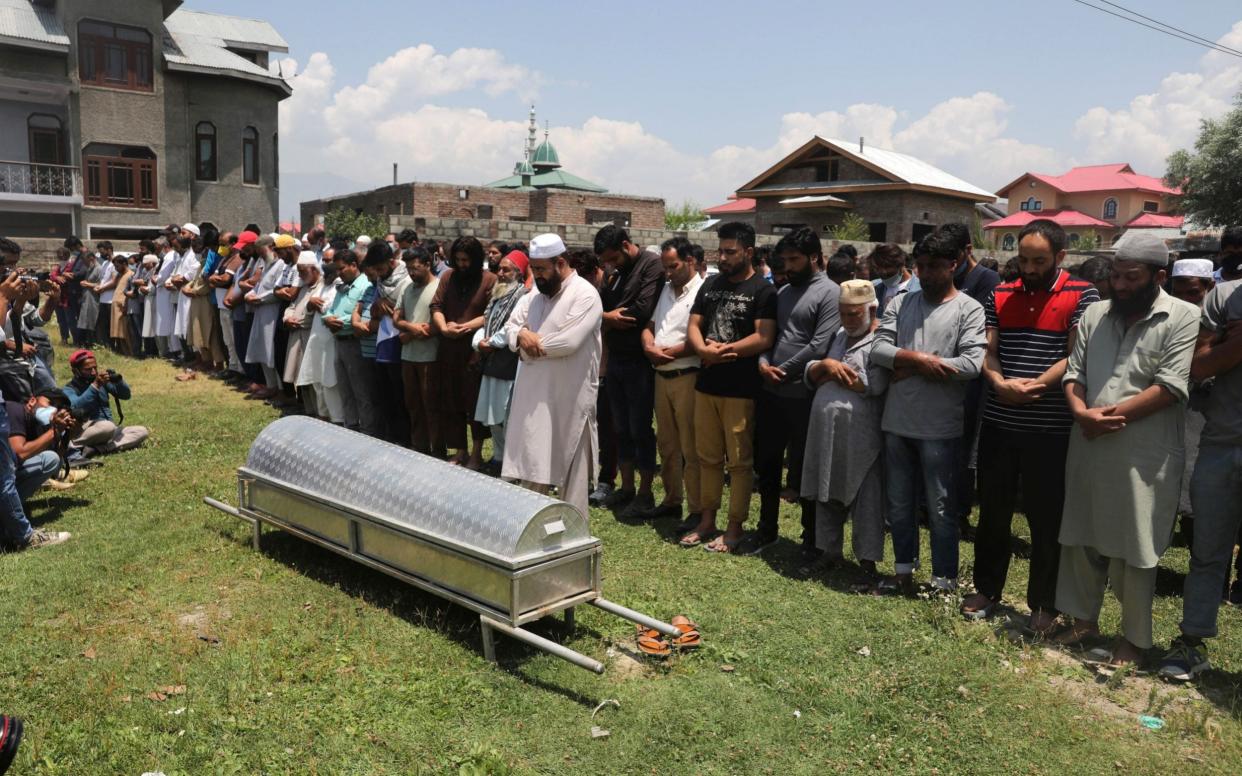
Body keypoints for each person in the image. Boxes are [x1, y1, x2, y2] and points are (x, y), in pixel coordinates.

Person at [1053, 231, 1198, 668]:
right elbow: (1074, 370)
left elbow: (1171, 386)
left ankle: (1135, 640)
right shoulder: (1097, 312)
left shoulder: (1183, 316)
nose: (1119, 285)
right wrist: (1080, 412)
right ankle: (1082, 621)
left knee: (1136, 544)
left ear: (1159, 275)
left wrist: (1108, 417)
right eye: (1115, 275)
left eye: (1130, 277)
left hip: (1144, 451)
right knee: (1079, 533)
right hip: (1088, 441)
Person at [962, 220, 1100, 631]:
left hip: (1051, 428)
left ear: (1061, 257)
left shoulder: (1082, 294)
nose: (1029, 267)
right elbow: (988, 349)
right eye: (1023, 259)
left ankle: (1044, 603)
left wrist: (1036, 385)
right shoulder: (1000, 293)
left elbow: (1076, 354)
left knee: (1046, 518)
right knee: (993, 512)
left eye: (1039, 260)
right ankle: (986, 589)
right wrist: (999, 382)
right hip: (1000, 421)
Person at [870, 230, 986, 594]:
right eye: (920, 266)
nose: (925, 273)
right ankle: (903, 571)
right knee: (900, 504)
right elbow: (878, 349)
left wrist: (909, 364)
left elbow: (971, 365)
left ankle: (943, 580)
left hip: (940, 426)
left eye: (934, 266)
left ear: (954, 265)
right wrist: (916, 359)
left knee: (940, 508)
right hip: (898, 421)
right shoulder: (901, 303)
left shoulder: (969, 309)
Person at [1159, 245, 1242, 680]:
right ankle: (1192, 642)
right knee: (1207, 551)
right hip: (1222, 441)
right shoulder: (1224, 297)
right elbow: (1196, 364)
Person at [681, 221, 777, 553]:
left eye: (730, 251)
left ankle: (734, 527)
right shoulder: (710, 285)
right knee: (706, 457)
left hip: (741, 389)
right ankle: (707, 520)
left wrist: (725, 351)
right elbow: (694, 325)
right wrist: (703, 349)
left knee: (738, 463)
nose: (722, 257)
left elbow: (764, 336)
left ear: (748, 252)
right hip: (706, 385)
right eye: (720, 251)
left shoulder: (763, 290)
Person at [749, 227, 841, 558]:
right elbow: (767, 336)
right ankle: (766, 530)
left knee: (805, 471)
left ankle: (810, 540)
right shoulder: (784, 292)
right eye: (784, 259)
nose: (788, 265)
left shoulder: (830, 292)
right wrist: (762, 364)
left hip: (804, 395)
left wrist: (784, 370)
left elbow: (820, 344)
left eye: (795, 259)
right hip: (771, 391)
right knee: (768, 465)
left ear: (814, 257)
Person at [501, 233, 603, 519]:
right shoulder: (535, 295)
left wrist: (530, 346)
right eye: (534, 269)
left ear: (561, 263)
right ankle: (527, 527)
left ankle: (572, 531)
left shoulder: (585, 295)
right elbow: (511, 326)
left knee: (572, 465)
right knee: (532, 460)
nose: (538, 276)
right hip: (533, 395)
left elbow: (569, 341)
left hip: (570, 395)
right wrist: (521, 335)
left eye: (543, 269)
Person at [800, 279, 888, 585]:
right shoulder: (839, 335)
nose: (849, 320)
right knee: (826, 487)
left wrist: (833, 372)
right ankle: (829, 551)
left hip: (862, 435)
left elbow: (873, 383)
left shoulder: (882, 339)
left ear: (872, 309)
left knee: (866, 500)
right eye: (844, 313)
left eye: (855, 314)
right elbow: (814, 369)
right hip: (828, 429)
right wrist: (825, 366)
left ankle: (867, 563)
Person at [595, 225, 665, 518]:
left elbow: (641, 310)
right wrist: (607, 316)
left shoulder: (651, 264)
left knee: (639, 429)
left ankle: (646, 493)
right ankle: (626, 488)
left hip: (639, 361)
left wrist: (607, 316)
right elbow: (597, 307)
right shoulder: (615, 273)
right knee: (619, 428)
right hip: (616, 360)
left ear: (626, 245)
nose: (609, 265)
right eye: (606, 261)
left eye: (613, 258)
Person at [939, 222, 1000, 539]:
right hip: (939, 376)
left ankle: (960, 511)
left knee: (963, 451)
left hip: (970, 381)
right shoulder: (943, 276)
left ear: (967, 251)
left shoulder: (987, 281)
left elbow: (980, 335)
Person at [640, 237, 704, 523]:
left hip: (687, 375)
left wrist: (668, 352)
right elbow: (650, 326)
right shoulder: (666, 290)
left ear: (690, 261)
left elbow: (699, 339)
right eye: (665, 267)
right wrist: (648, 346)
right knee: (666, 444)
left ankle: (696, 508)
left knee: (691, 447)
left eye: (673, 266)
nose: (668, 273)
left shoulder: (703, 291)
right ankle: (671, 499)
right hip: (661, 376)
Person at [431, 236, 496, 469]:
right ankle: (460, 450)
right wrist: (443, 326)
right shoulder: (448, 276)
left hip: (473, 351)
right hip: (448, 347)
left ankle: (477, 453)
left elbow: (491, 314)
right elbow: (436, 305)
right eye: (458, 260)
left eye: (466, 260)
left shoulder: (489, 280)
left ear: (476, 259)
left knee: (474, 402)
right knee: (451, 400)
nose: (462, 265)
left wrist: (466, 327)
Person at [473, 249, 530, 474]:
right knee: (492, 417)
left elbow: (512, 329)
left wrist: (491, 343)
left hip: (507, 363)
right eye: (500, 269)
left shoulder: (523, 296)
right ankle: (498, 457)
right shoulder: (498, 294)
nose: (501, 273)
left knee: (506, 416)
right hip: (490, 362)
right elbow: (487, 322)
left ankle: (511, 463)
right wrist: (479, 342)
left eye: (507, 270)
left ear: (518, 272)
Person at [394, 246, 442, 454]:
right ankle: (419, 446)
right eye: (408, 268)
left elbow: (438, 324)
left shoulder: (439, 287)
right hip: (408, 355)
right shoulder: (407, 289)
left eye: (415, 268)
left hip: (430, 356)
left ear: (427, 264)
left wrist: (411, 332)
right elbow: (396, 318)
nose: (412, 273)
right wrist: (410, 328)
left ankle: (437, 449)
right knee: (413, 403)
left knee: (431, 404)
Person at [324, 247, 376, 432]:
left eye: (342, 268)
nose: (339, 273)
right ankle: (351, 426)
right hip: (340, 341)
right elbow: (331, 310)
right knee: (345, 390)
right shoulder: (342, 285)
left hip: (356, 343)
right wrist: (328, 319)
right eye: (337, 269)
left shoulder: (364, 285)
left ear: (354, 265)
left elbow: (361, 316)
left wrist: (336, 321)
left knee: (361, 391)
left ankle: (368, 430)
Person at [63, 349, 148, 456]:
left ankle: (99, 449)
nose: (94, 372)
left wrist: (118, 381)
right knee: (107, 427)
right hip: (86, 431)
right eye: (88, 369)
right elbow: (75, 406)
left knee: (141, 431)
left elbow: (126, 395)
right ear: (75, 371)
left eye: (95, 368)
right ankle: (71, 445)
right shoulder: (69, 389)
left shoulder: (101, 382)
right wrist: (95, 386)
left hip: (109, 430)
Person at [295, 246, 345, 424]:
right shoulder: (324, 282)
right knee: (318, 380)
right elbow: (310, 307)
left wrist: (319, 305)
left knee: (331, 381)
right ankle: (322, 416)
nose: (326, 264)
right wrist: (311, 303)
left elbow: (335, 310)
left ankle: (337, 420)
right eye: (324, 260)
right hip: (316, 339)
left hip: (331, 341)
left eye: (330, 261)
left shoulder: (340, 284)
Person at [245, 235, 295, 400]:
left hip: (272, 312)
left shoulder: (280, 265)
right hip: (260, 311)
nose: (260, 255)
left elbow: (276, 291)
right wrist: (250, 294)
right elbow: (259, 286)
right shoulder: (266, 265)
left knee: (272, 352)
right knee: (262, 351)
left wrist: (258, 298)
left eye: (261, 251)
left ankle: (280, 388)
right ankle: (270, 385)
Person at [6, 389, 75, 501]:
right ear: (33, 400)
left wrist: (68, 434)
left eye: (58, 407)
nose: (54, 410)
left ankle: (9, 504)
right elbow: (19, 453)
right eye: (51, 403)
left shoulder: (39, 426)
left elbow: (55, 464)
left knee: (52, 459)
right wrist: (53, 432)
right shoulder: (14, 410)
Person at [282, 252, 324, 415]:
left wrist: (296, 321)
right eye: (298, 272)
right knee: (301, 379)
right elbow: (291, 306)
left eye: (302, 272)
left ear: (314, 269)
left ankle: (317, 414)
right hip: (296, 336)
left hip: (310, 338)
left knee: (311, 378)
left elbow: (310, 317)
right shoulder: (304, 286)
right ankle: (308, 411)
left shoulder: (322, 287)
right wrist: (286, 318)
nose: (299, 275)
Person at [870, 243, 919, 316]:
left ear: (902, 265)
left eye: (889, 274)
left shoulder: (918, 291)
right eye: (882, 275)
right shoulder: (873, 287)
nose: (886, 279)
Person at [108, 254, 133, 355]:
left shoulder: (131, 274)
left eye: (117, 266)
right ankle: (122, 351)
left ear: (124, 263)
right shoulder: (119, 275)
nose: (116, 269)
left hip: (123, 306)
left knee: (125, 331)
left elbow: (130, 291)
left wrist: (126, 305)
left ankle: (130, 352)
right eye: (115, 267)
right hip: (116, 305)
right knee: (117, 331)